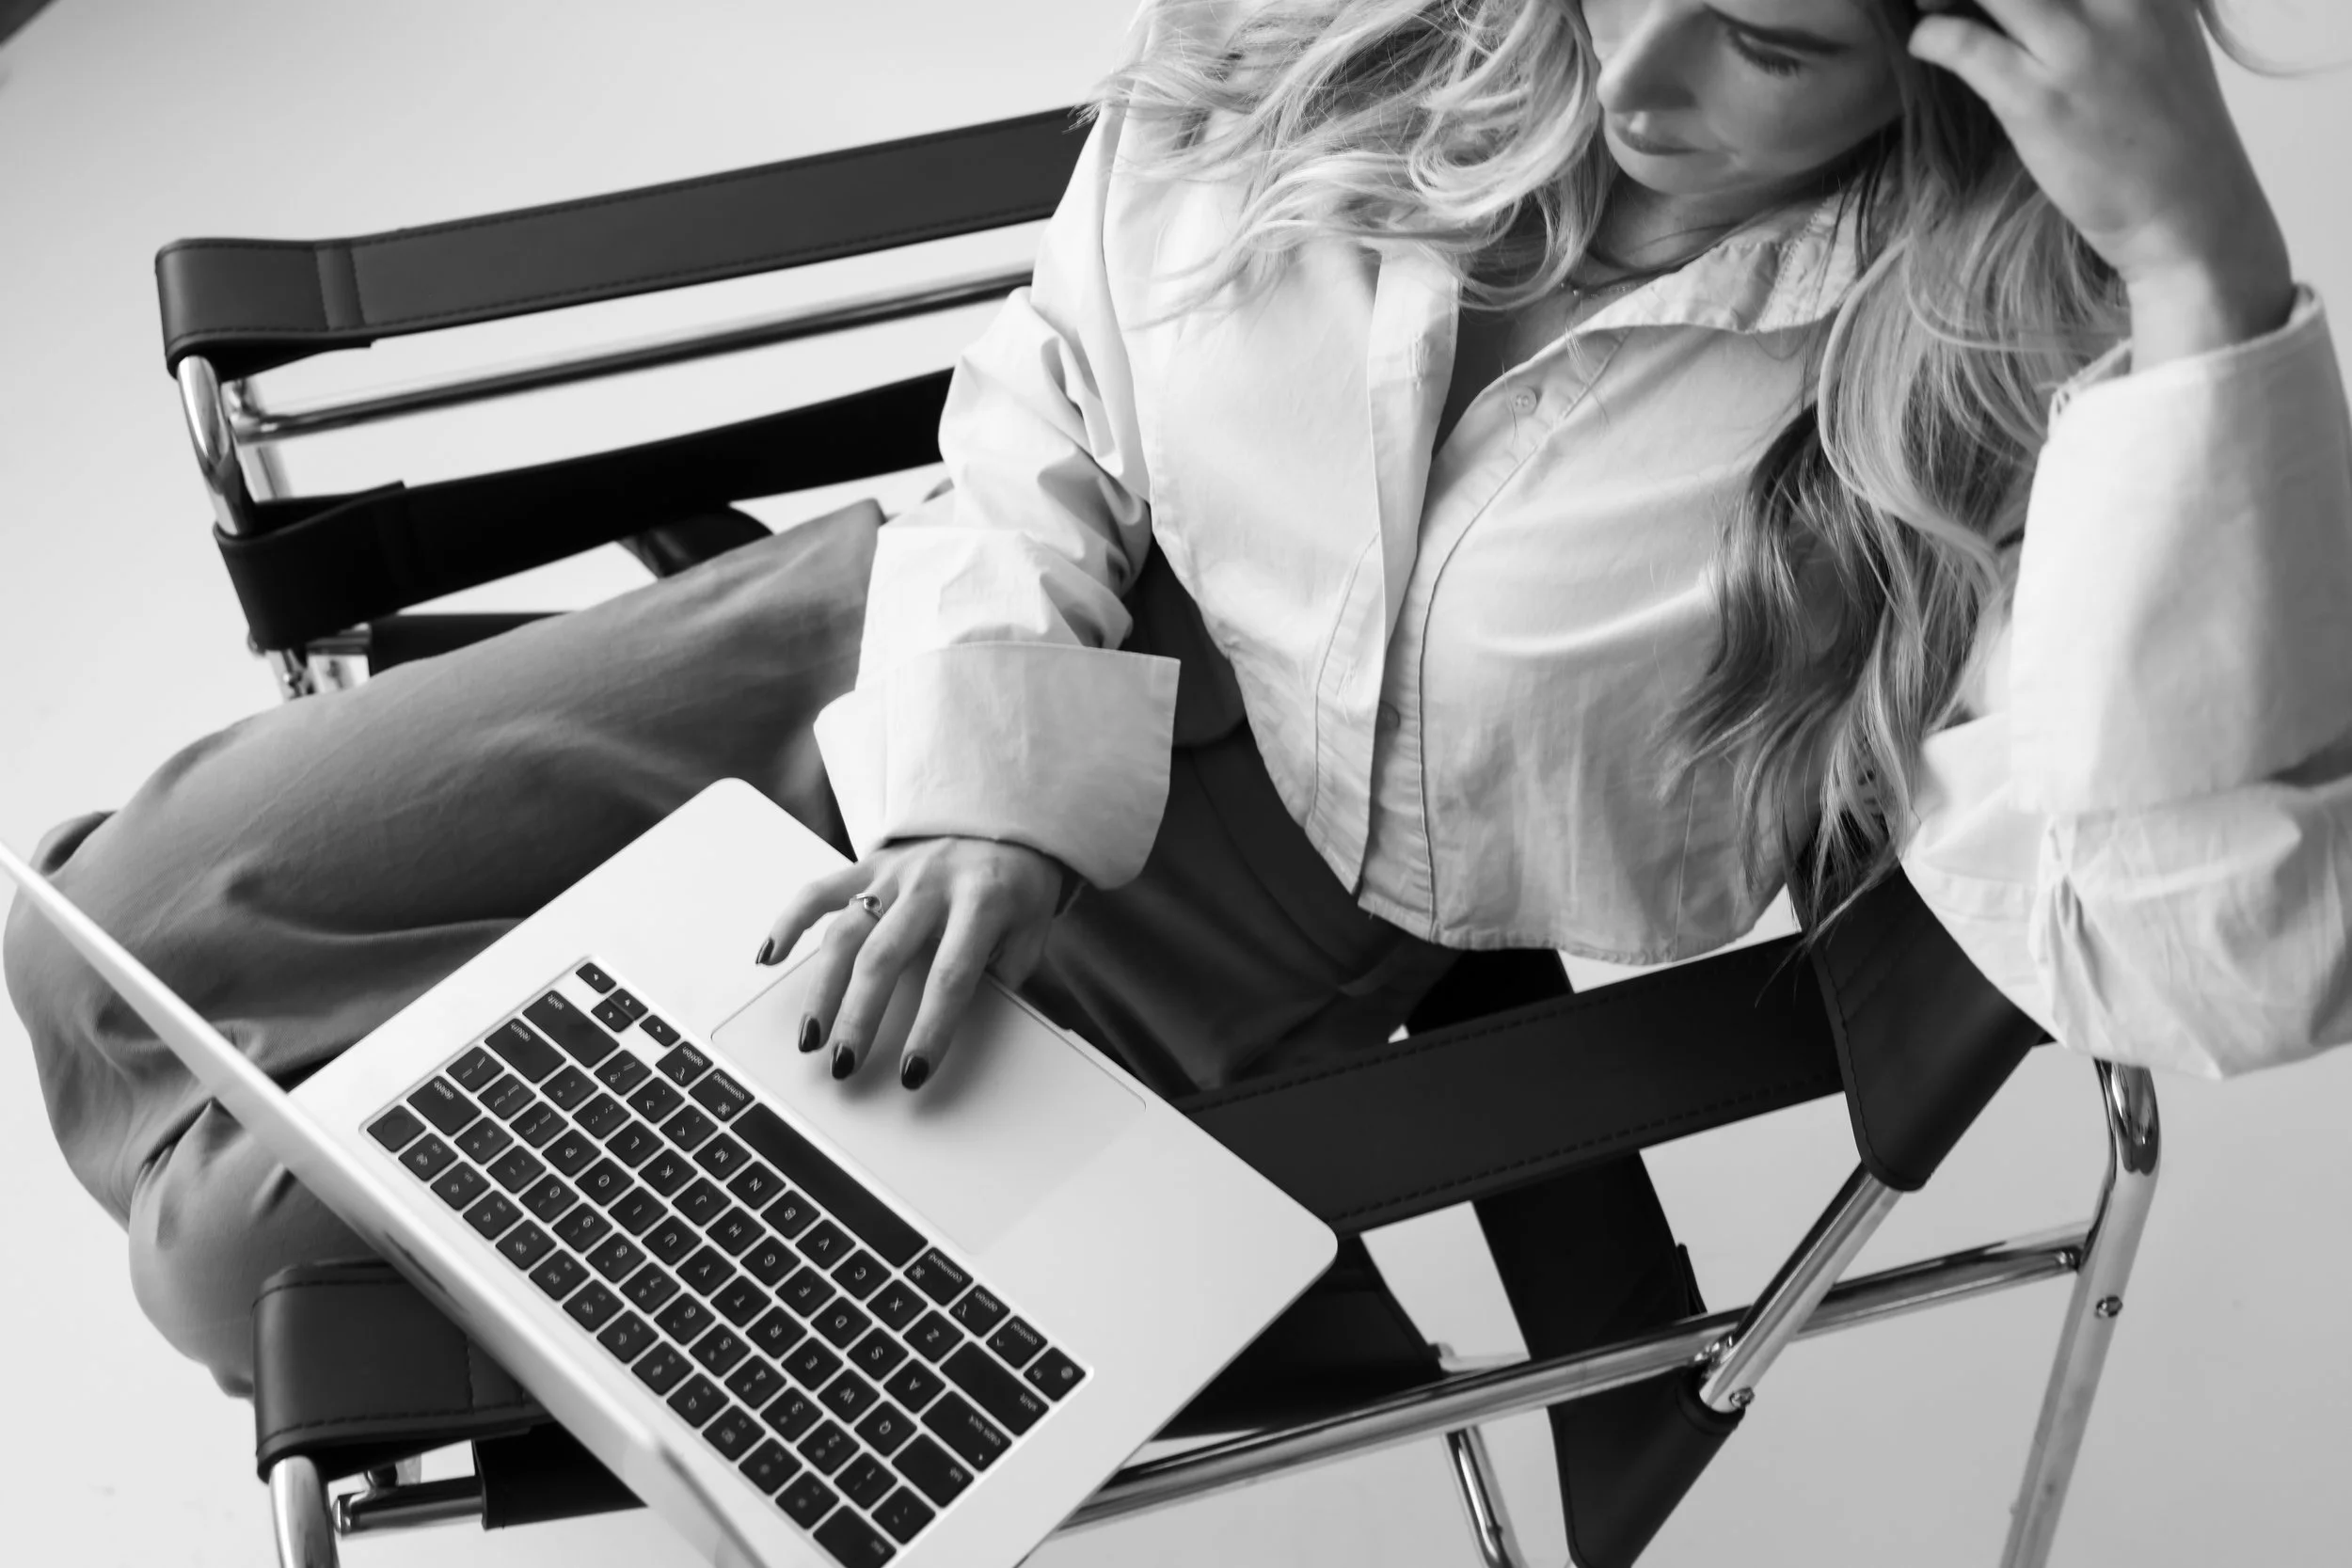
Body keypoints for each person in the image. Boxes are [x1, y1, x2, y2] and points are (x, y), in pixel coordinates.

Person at [8, 0, 2350, 1557]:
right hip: (927, 629)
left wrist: (2198, 271)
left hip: (1273, 898)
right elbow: (1057, 362)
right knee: (107, 932)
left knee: (241, 1261)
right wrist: (978, 784)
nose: (1632, 75)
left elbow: (2222, 955)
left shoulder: (1986, 387)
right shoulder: (1361, 26)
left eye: (1765, 38)